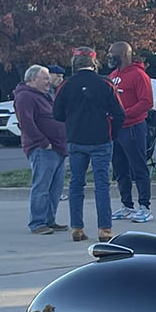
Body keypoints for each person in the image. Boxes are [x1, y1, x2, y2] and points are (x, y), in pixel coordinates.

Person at [51, 48, 124, 242]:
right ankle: (105, 228)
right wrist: (112, 133)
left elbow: (57, 113)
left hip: (76, 138)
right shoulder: (105, 83)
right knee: (102, 185)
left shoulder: (66, 85)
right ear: (94, 63)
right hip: (101, 139)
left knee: (76, 184)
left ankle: (77, 227)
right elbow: (120, 113)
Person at [12, 64, 66, 234]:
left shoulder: (44, 95)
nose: (48, 81)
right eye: (45, 78)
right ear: (33, 79)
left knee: (55, 188)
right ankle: (37, 223)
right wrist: (43, 142)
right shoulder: (25, 97)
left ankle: (50, 220)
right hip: (43, 149)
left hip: (57, 147)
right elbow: (26, 122)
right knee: (42, 187)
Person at [106, 41, 154, 222]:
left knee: (138, 167)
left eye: (113, 54)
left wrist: (123, 114)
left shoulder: (139, 75)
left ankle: (145, 206)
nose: (109, 57)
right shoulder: (113, 75)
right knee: (120, 168)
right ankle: (127, 205)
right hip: (116, 129)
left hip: (133, 127)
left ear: (125, 55)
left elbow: (146, 102)